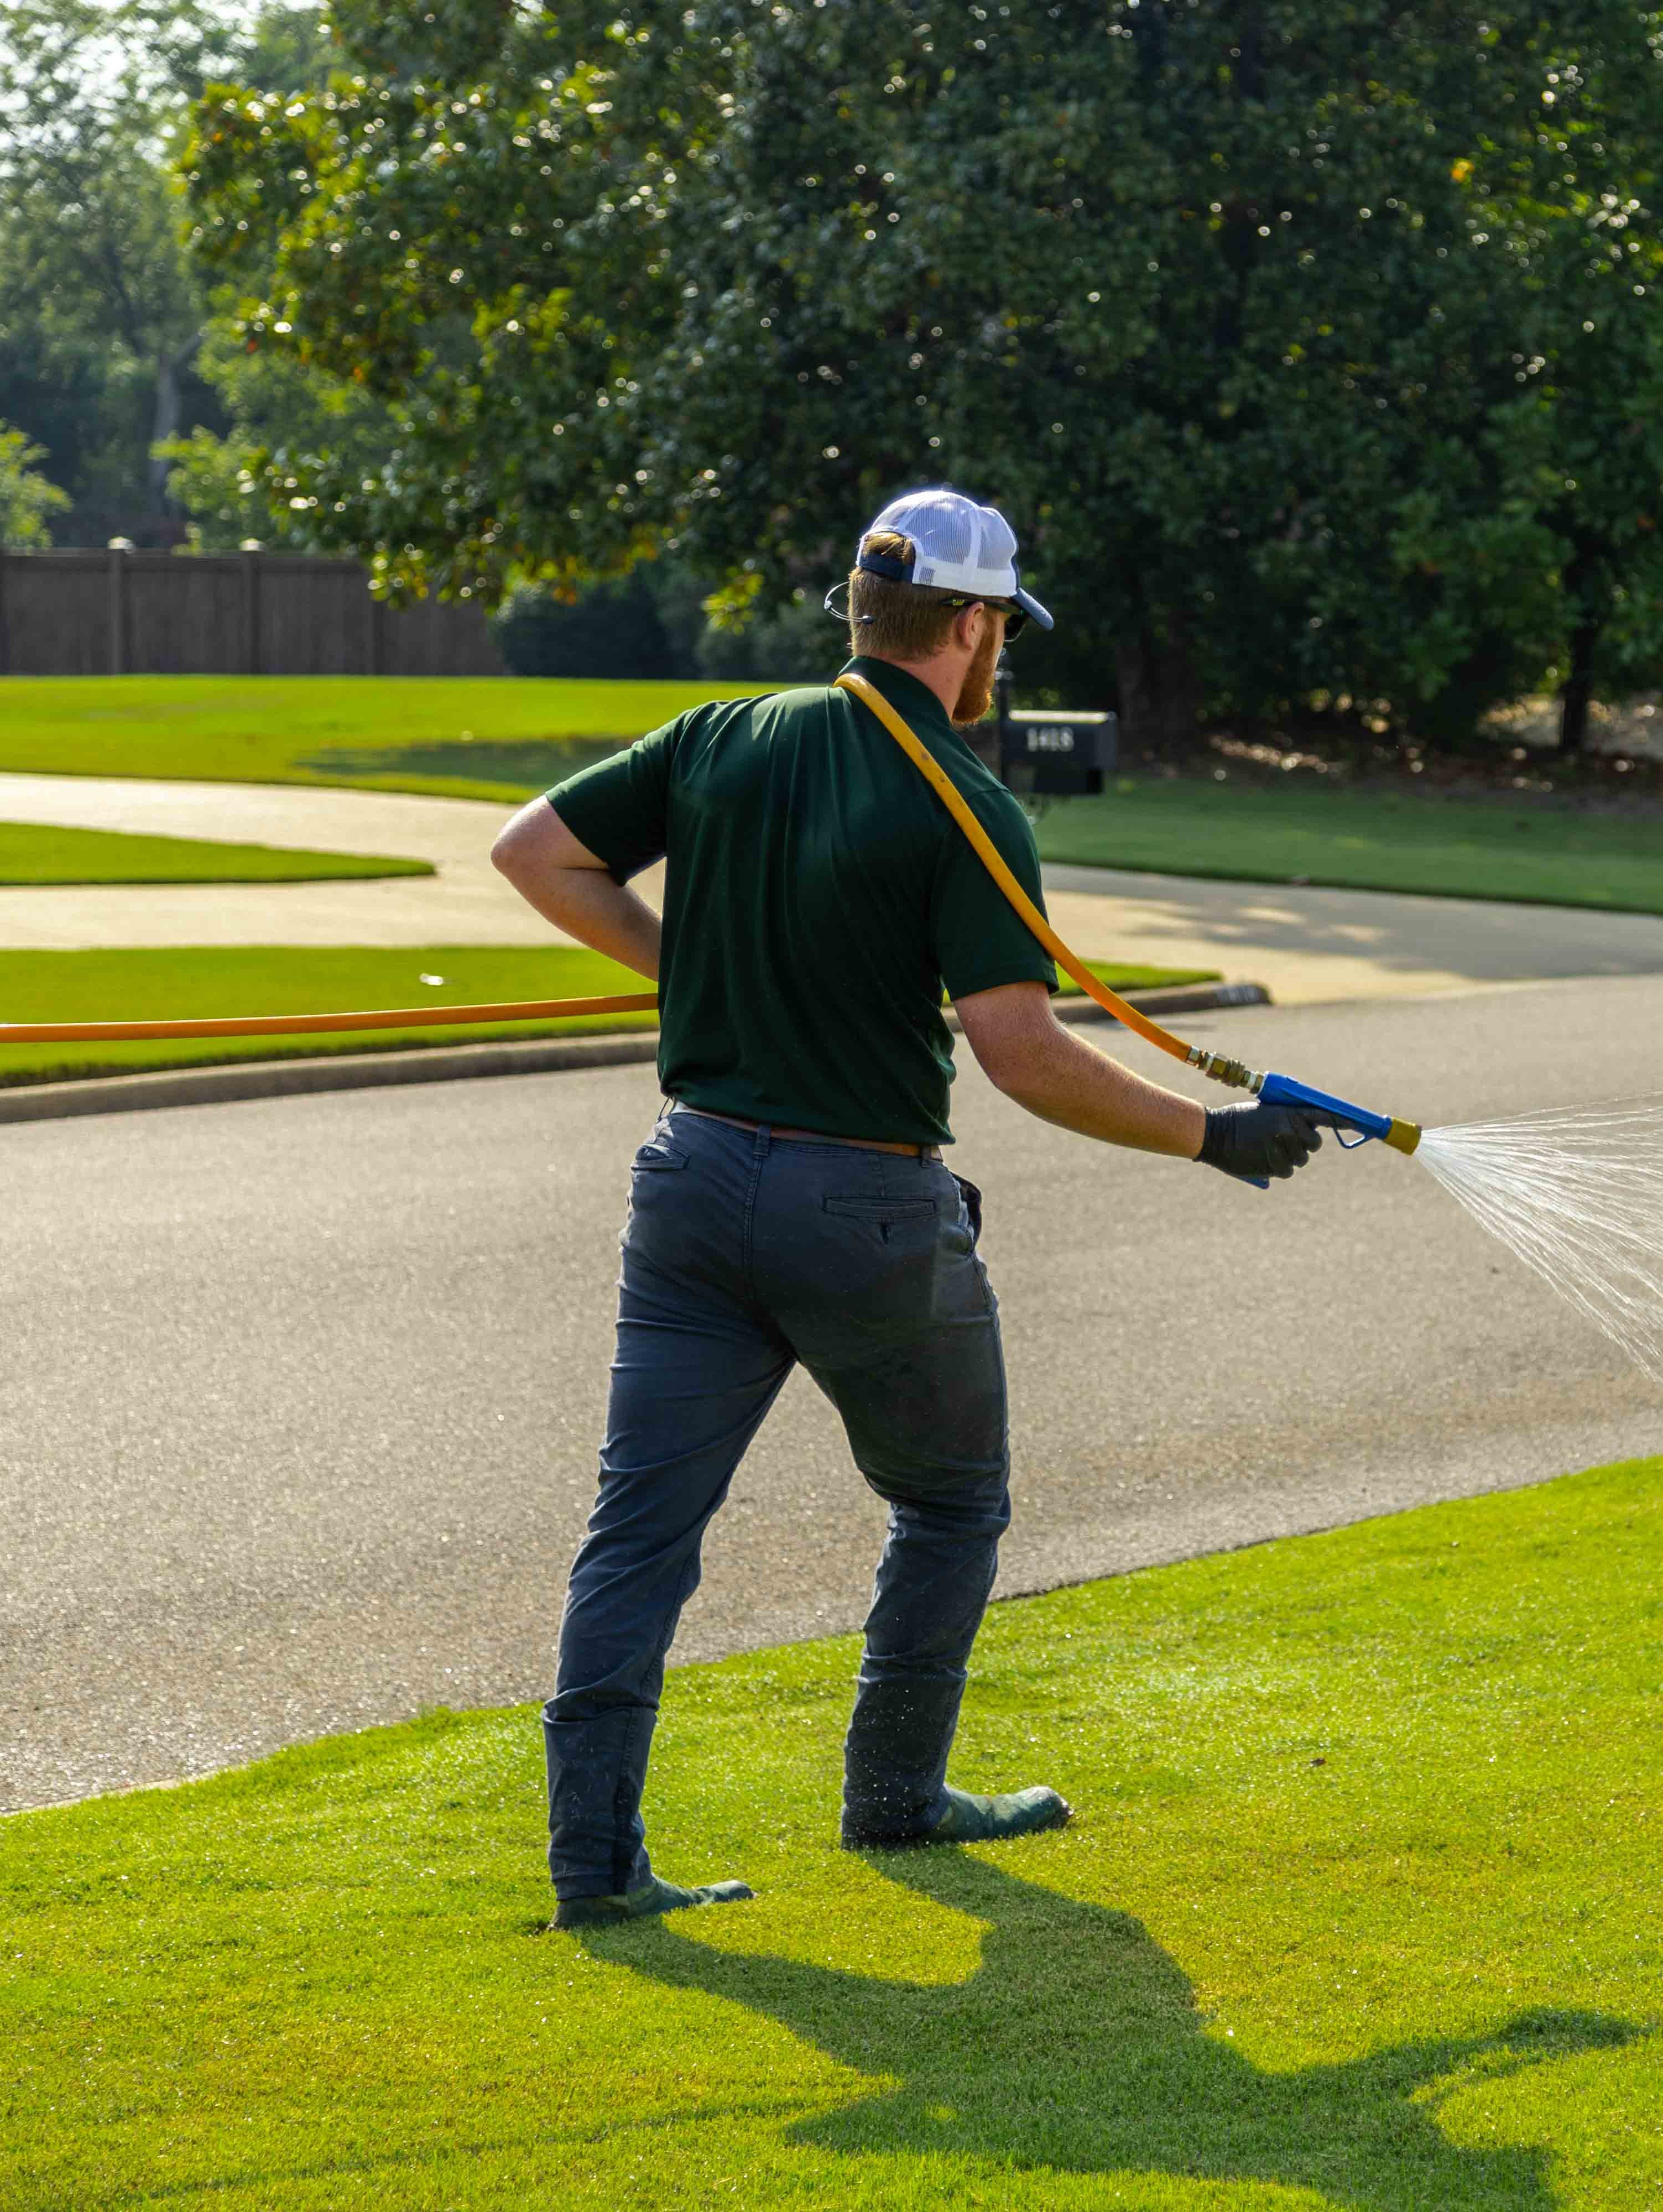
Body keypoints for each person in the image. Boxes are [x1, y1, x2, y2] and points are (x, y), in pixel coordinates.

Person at [492, 488, 1330, 1930]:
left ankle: (594, 1870)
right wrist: (1215, 1137)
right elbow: (1021, 1054)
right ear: (966, 624)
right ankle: (893, 1798)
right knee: (951, 1503)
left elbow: (535, 854)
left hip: (689, 1179)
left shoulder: (721, 735)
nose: (1003, 647)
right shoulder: (964, 796)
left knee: (638, 1533)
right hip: (863, 1202)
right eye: (1002, 622)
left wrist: (696, 972)